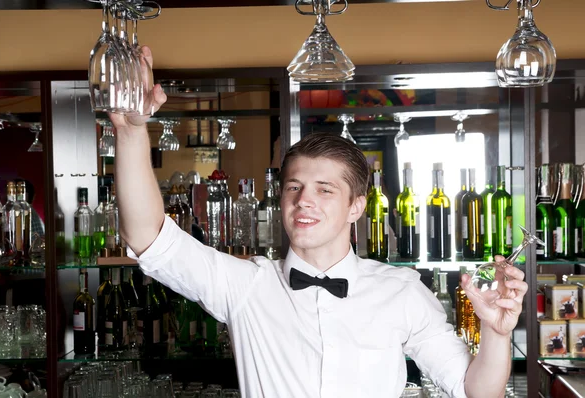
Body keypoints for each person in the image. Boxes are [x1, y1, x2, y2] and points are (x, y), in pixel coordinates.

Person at [110, 47, 528, 398]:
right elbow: (147, 235)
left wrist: (495, 332)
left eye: (325, 189)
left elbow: (476, 389)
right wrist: (130, 132)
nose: (304, 199)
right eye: (294, 187)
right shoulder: (245, 286)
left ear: (356, 208)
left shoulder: (401, 291)